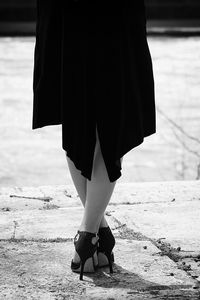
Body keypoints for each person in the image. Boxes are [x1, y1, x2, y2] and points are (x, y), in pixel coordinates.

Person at [32, 0, 156, 281]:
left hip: (67, 11)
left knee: (76, 115)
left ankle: (91, 238)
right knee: (110, 118)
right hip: (113, 11)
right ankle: (93, 234)